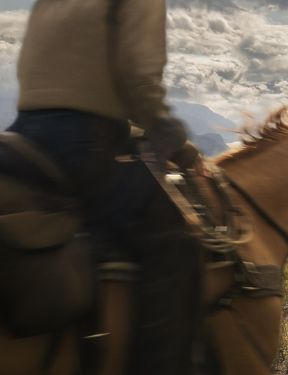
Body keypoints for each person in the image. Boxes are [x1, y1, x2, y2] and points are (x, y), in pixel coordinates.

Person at [7, 0, 199, 372]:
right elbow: (139, 79)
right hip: (85, 142)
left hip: (21, 138)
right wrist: (175, 141)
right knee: (177, 241)